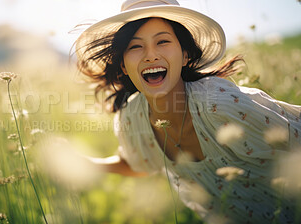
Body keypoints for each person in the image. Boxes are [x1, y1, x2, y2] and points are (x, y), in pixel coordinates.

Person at [74, 0, 301, 223]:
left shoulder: (221, 105)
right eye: (135, 46)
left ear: (185, 56)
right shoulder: (133, 118)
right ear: (123, 65)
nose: (150, 55)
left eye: (162, 41)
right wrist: (86, 164)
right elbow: (137, 163)